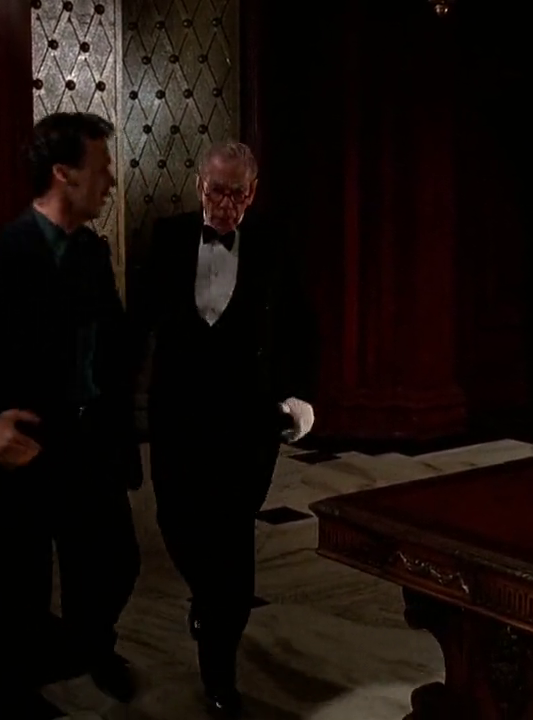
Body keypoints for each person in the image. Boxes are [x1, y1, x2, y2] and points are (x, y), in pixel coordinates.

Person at [0, 112, 142, 707]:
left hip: (89, 444)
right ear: (62, 173)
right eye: (101, 169)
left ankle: (94, 646)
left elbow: (110, 345)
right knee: (19, 585)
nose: (110, 181)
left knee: (113, 564)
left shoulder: (92, 254)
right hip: (25, 448)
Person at [134, 141, 319, 716]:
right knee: (176, 522)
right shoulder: (167, 238)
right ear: (199, 186)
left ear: (252, 193)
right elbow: (136, 321)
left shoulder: (274, 242)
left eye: (237, 193)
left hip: (247, 418)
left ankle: (219, 675)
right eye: (216, 190)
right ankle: (207, 599)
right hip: (178, 416)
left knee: (232, 539)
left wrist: (298, 396)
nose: (225, 204)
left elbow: (299, 324)